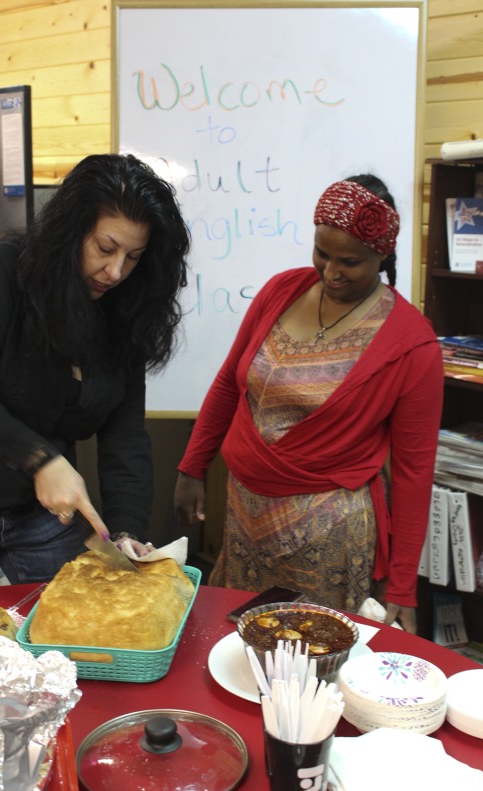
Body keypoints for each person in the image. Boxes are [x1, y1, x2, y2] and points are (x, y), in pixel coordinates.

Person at [174, 174, 443, 633]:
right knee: (236, 647)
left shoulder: (412, 345)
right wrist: (191, 466)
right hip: (244, 518)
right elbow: (228, 384)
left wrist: (401, 589)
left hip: (328, 541)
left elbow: (414, 473)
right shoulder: (282, 291)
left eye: (351, 261)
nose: (331, 271)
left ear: (383, 255)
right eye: (322, 253)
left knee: (309, 662)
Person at [0, 153, 190, 590]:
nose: (116, 271)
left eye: (133, 257)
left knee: (64, 633)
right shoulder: (3, 270)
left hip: (42, 517)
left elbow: (125, 433)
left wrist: (126, 532)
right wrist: (40, 459)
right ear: (70, 231)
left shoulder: (125, 311)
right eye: (105, 248)